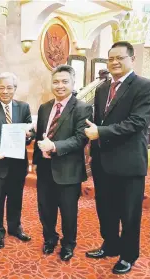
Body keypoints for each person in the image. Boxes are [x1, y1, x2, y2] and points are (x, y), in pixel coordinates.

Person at [85, 41, 150, 274]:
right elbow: (100, 122)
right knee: (106, 208)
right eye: (111, 58)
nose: (114, 62)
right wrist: (94, 150)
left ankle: (128, 255)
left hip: (129, 163)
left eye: (120, 58)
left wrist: (100, 133)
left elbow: (138, 122)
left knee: (129, 213)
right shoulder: (103, 88)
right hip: (103, 161)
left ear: (132, 59)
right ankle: (110, 245)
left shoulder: (144, 86)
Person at [33, 65, 92, 261]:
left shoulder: (83, 108)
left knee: (68, 213)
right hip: (44, 170)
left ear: (73, 83)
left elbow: (80, 139)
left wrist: (54, 146)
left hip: (68, 171)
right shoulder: (45, 107)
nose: (59, 86)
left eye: (64, 81)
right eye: (56, 81)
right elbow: (41, 135)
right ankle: (50, 238)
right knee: (46, 209)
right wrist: (35, 159)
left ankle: (68, 244)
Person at [0, 72, 33, 249]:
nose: (5, 91)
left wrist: (27, 137)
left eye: (9, 87)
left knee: (16, 199)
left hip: (18, 164)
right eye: (1, 87)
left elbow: (30, 134)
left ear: (15, 89)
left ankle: (15, 228)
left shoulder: (24, 107)